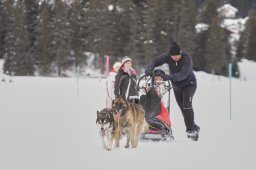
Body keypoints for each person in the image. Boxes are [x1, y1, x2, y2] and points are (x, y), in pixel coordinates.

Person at [145, 42, 200, 141]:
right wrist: (149, 68)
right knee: (183, 109)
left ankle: (191, 130)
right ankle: (194, 127)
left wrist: (168, 77)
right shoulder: (169, 57)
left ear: (180, 53)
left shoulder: (187, 59)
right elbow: (156, 60)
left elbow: (183, 74)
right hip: (177, 87)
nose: (174, 58)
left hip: (189, 84)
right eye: (172, 56)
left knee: (187, 105)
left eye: (176, 56)